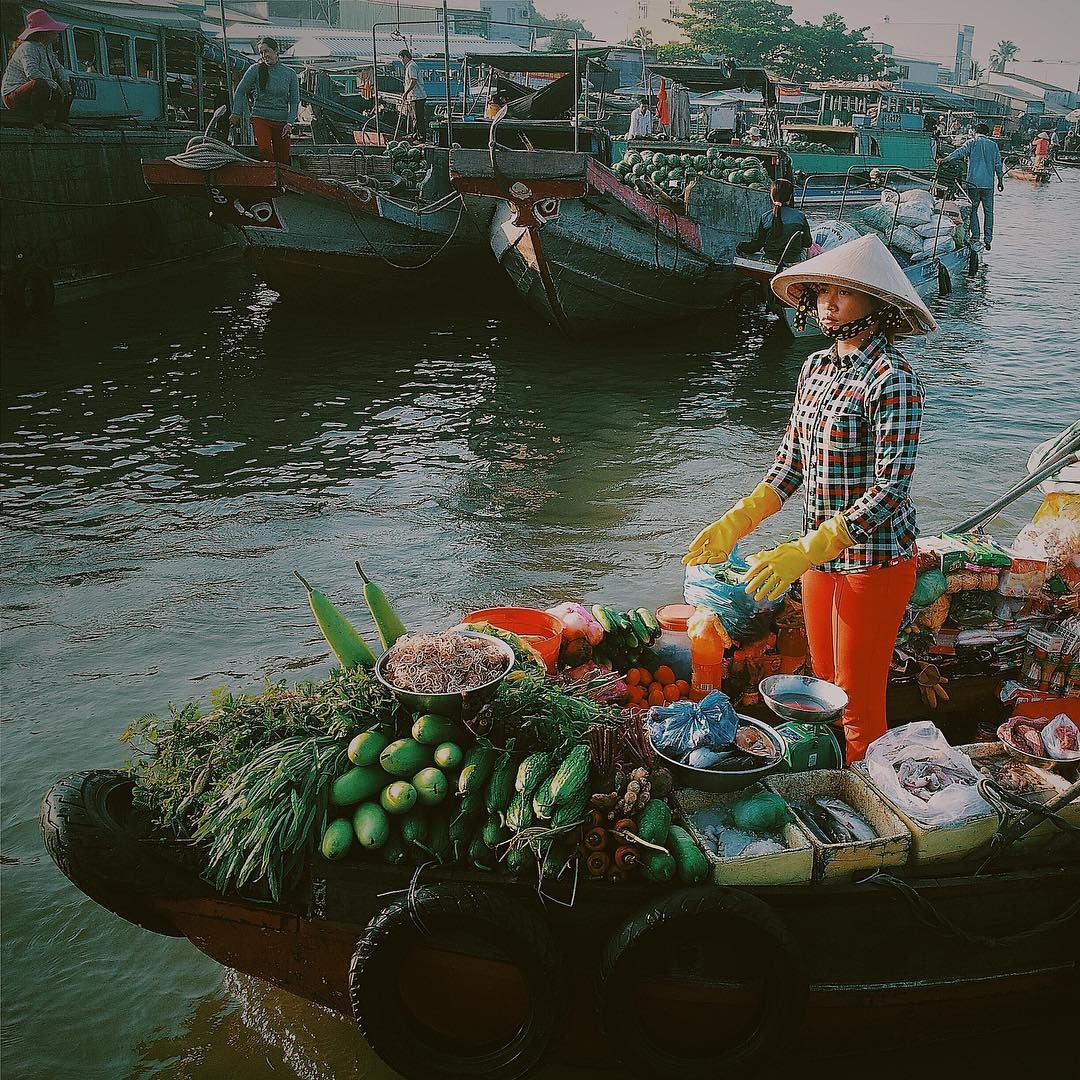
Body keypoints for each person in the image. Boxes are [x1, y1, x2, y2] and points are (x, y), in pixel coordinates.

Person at [684, 233, 934, 763]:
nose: (828, 302)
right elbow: (790, 464)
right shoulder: (815, 369)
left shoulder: (894, 380)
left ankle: (875, 803)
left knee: (858, 703)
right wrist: (739, 519)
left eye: (843, 292)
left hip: (874, 560)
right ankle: (836, 782)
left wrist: (811, 546)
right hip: (820, 563)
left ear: (877, 303)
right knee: (820, 689)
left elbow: (891, 489)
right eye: (822, 291)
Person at [1, 9, 76, 134]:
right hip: (13, 96)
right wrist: (56, 86)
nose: (57, 34)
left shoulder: (46, 49)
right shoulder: (28, 47)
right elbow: (32, 72)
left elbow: (58, 68)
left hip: (33, 94)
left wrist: (64, 82)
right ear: (44, 33)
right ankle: (37, 122)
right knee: (40, 83)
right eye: (54, 31)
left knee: (70, 86)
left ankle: (61, 120)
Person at [230, 37, 299, 165]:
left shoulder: (290, 73)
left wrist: (289, 123)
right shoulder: (255, 69)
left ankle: (282, 182)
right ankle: (271, 180)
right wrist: (236, 112)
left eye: (266, 51)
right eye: (261, 52)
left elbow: (295, 101)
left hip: (282, 120)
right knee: (266, 151)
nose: (264, 55)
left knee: (283, 156)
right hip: (260, 117)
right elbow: (240, 91)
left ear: (276, 51)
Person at [939, 122, 1003, 251]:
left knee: (973, 210)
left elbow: (958, 153)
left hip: (972, 183)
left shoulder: (971, 143)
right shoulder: (993, 145)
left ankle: (975, 237)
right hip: (988, 184)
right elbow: (998, 165)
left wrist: (944, 160)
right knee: (989, 212)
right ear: (987, 133)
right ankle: (988, 239)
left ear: (975, 132)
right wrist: (1000, 180)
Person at [736, 178, 812, 265]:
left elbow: (756, 246)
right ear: (790, 197)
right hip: (793, 263)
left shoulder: (765, 217)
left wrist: (741, 246)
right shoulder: (800, 216)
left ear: (771, 195)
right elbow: (807, 243)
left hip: (770, 261)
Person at [399, 49, 427, 142]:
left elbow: (413, 80)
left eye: (401, 58)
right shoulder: (410, 66)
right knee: (415, 117)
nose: (401, 61)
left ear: (405, 57)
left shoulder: (411, 66)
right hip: (414, 96)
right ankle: (415, 135)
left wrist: (406, 92)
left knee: (418, 118)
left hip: (417, 96)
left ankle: (421, 138)